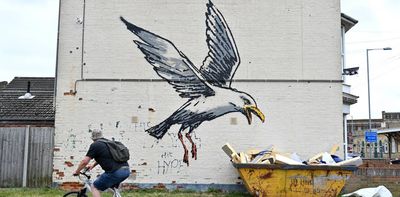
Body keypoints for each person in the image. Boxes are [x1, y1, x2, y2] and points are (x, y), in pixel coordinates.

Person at [73, 129, 130, 197]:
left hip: (115, 172)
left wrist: (77, 171)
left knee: (95, 187)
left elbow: (84, 161)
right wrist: (93, 165)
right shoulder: (108, 143)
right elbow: (106, 156)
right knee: (111, 187)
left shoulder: (95, 145)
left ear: (93, 138)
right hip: (126, 170)